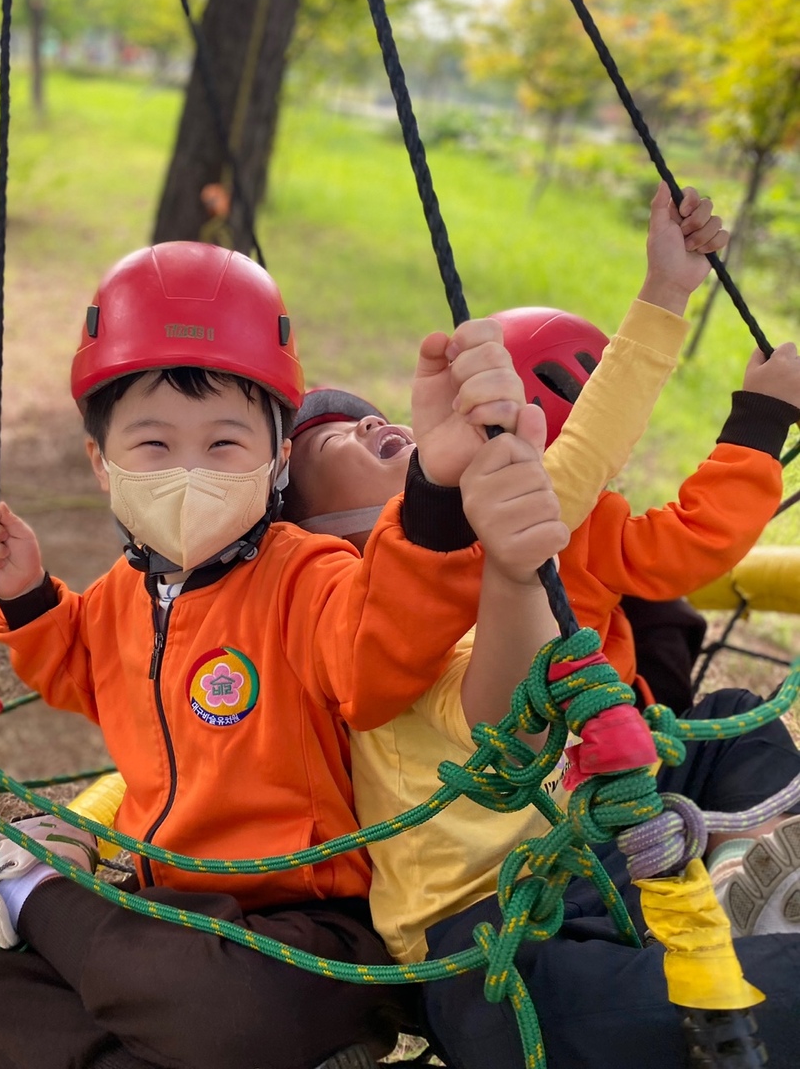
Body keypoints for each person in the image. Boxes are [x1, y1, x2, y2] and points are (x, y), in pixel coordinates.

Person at [0, 241, 532, 1069]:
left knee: (227, 1011)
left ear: (275, 461)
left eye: (225, 445)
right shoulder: (126, 591)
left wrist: (437, 492)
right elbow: (76, 666)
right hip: (161, 912)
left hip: (304, 920)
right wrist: (26, 594)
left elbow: (381, 652)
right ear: (102, 463)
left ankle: (23, 887)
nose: (189, 473)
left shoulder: (308, 575)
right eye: (154, 447)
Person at [280, 186, 800, 1065]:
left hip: (595, 834)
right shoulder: (357, 603)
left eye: (381, 416)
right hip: (490, 924)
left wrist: (666, 293)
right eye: (334, 441)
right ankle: (755, 947)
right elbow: (499, 720)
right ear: (322, 532)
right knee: (577, 1019)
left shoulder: (495, 521)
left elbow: (588, 447)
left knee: (728, 721)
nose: (372, 418)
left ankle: (767, 884)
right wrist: (514, 562)